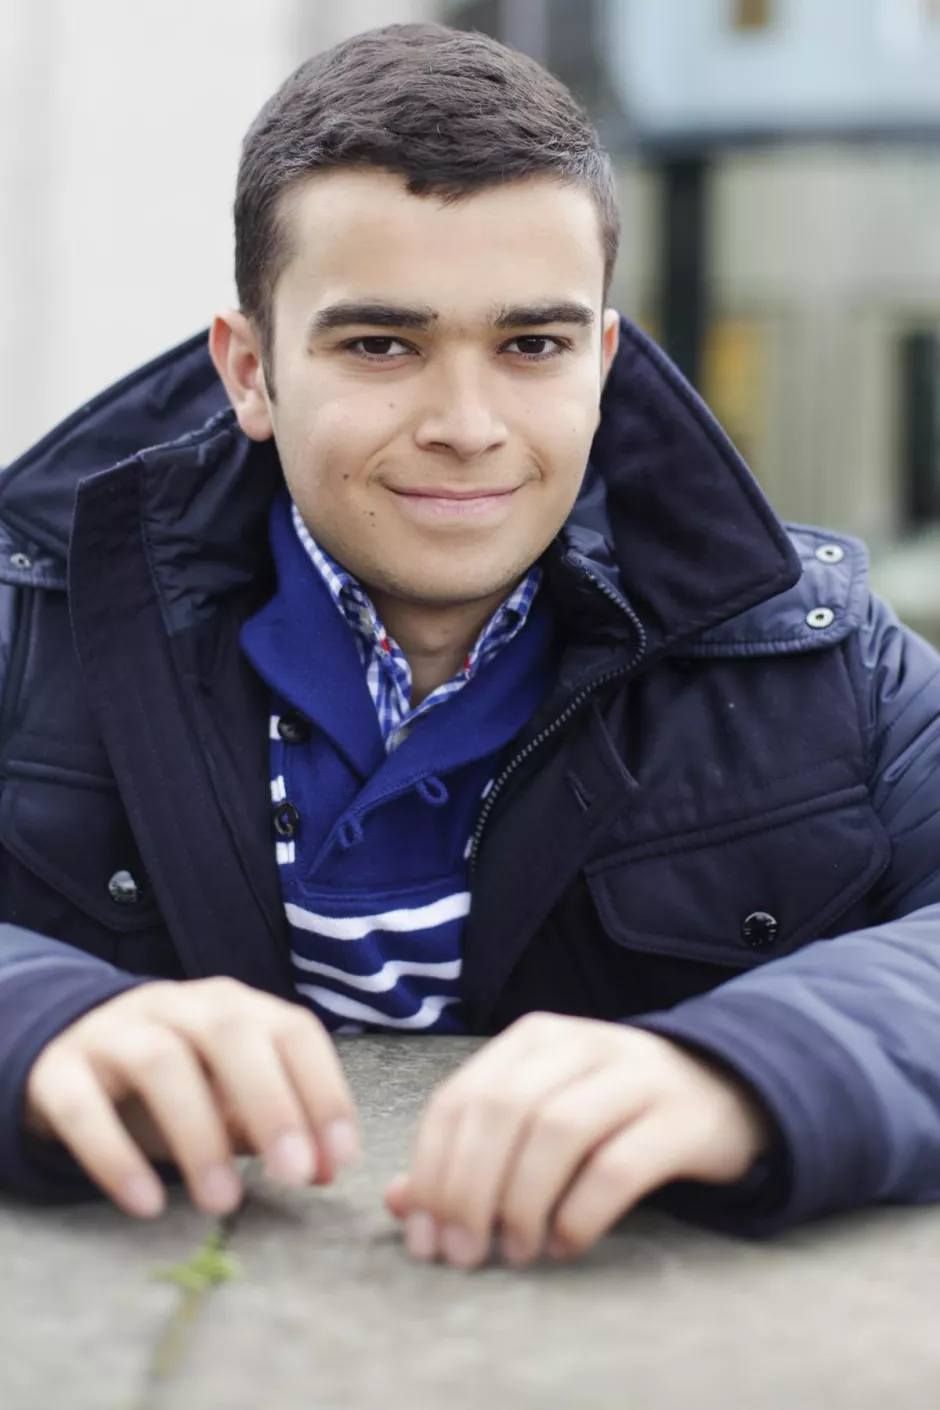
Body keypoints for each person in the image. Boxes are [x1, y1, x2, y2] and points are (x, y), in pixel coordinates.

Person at [1, 21, 939, 1274]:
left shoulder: (817, 652)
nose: (465, 424)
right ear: (252, 371)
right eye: (380, 345)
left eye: (531, 345)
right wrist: (36, 1019)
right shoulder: (27, 623)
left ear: (601, 363)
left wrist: (749, 1070)